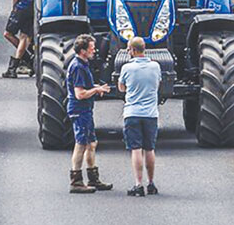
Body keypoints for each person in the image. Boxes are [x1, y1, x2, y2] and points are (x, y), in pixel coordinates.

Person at [66, 34, 113, 194]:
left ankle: (93, 178)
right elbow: (79, 94)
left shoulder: (83, 64)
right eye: (92, 48)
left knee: (91, 143)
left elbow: (83, 86)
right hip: (80, 110)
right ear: (83, 50)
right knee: (81, 144)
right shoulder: (78, 67)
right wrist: (96, 90)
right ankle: (76, 181)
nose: (95, 51)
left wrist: (95, 87)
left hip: (86, 110)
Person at [119, 37, 162, 197]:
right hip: (151, 114)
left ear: (133, 50)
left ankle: (138, 184)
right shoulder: (156, 66)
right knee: (149, 149)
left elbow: (122, 88)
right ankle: (151, 183)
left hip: (132, 113)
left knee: (136, 149)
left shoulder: (127, 68)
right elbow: (157, 84)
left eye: (128, 49)